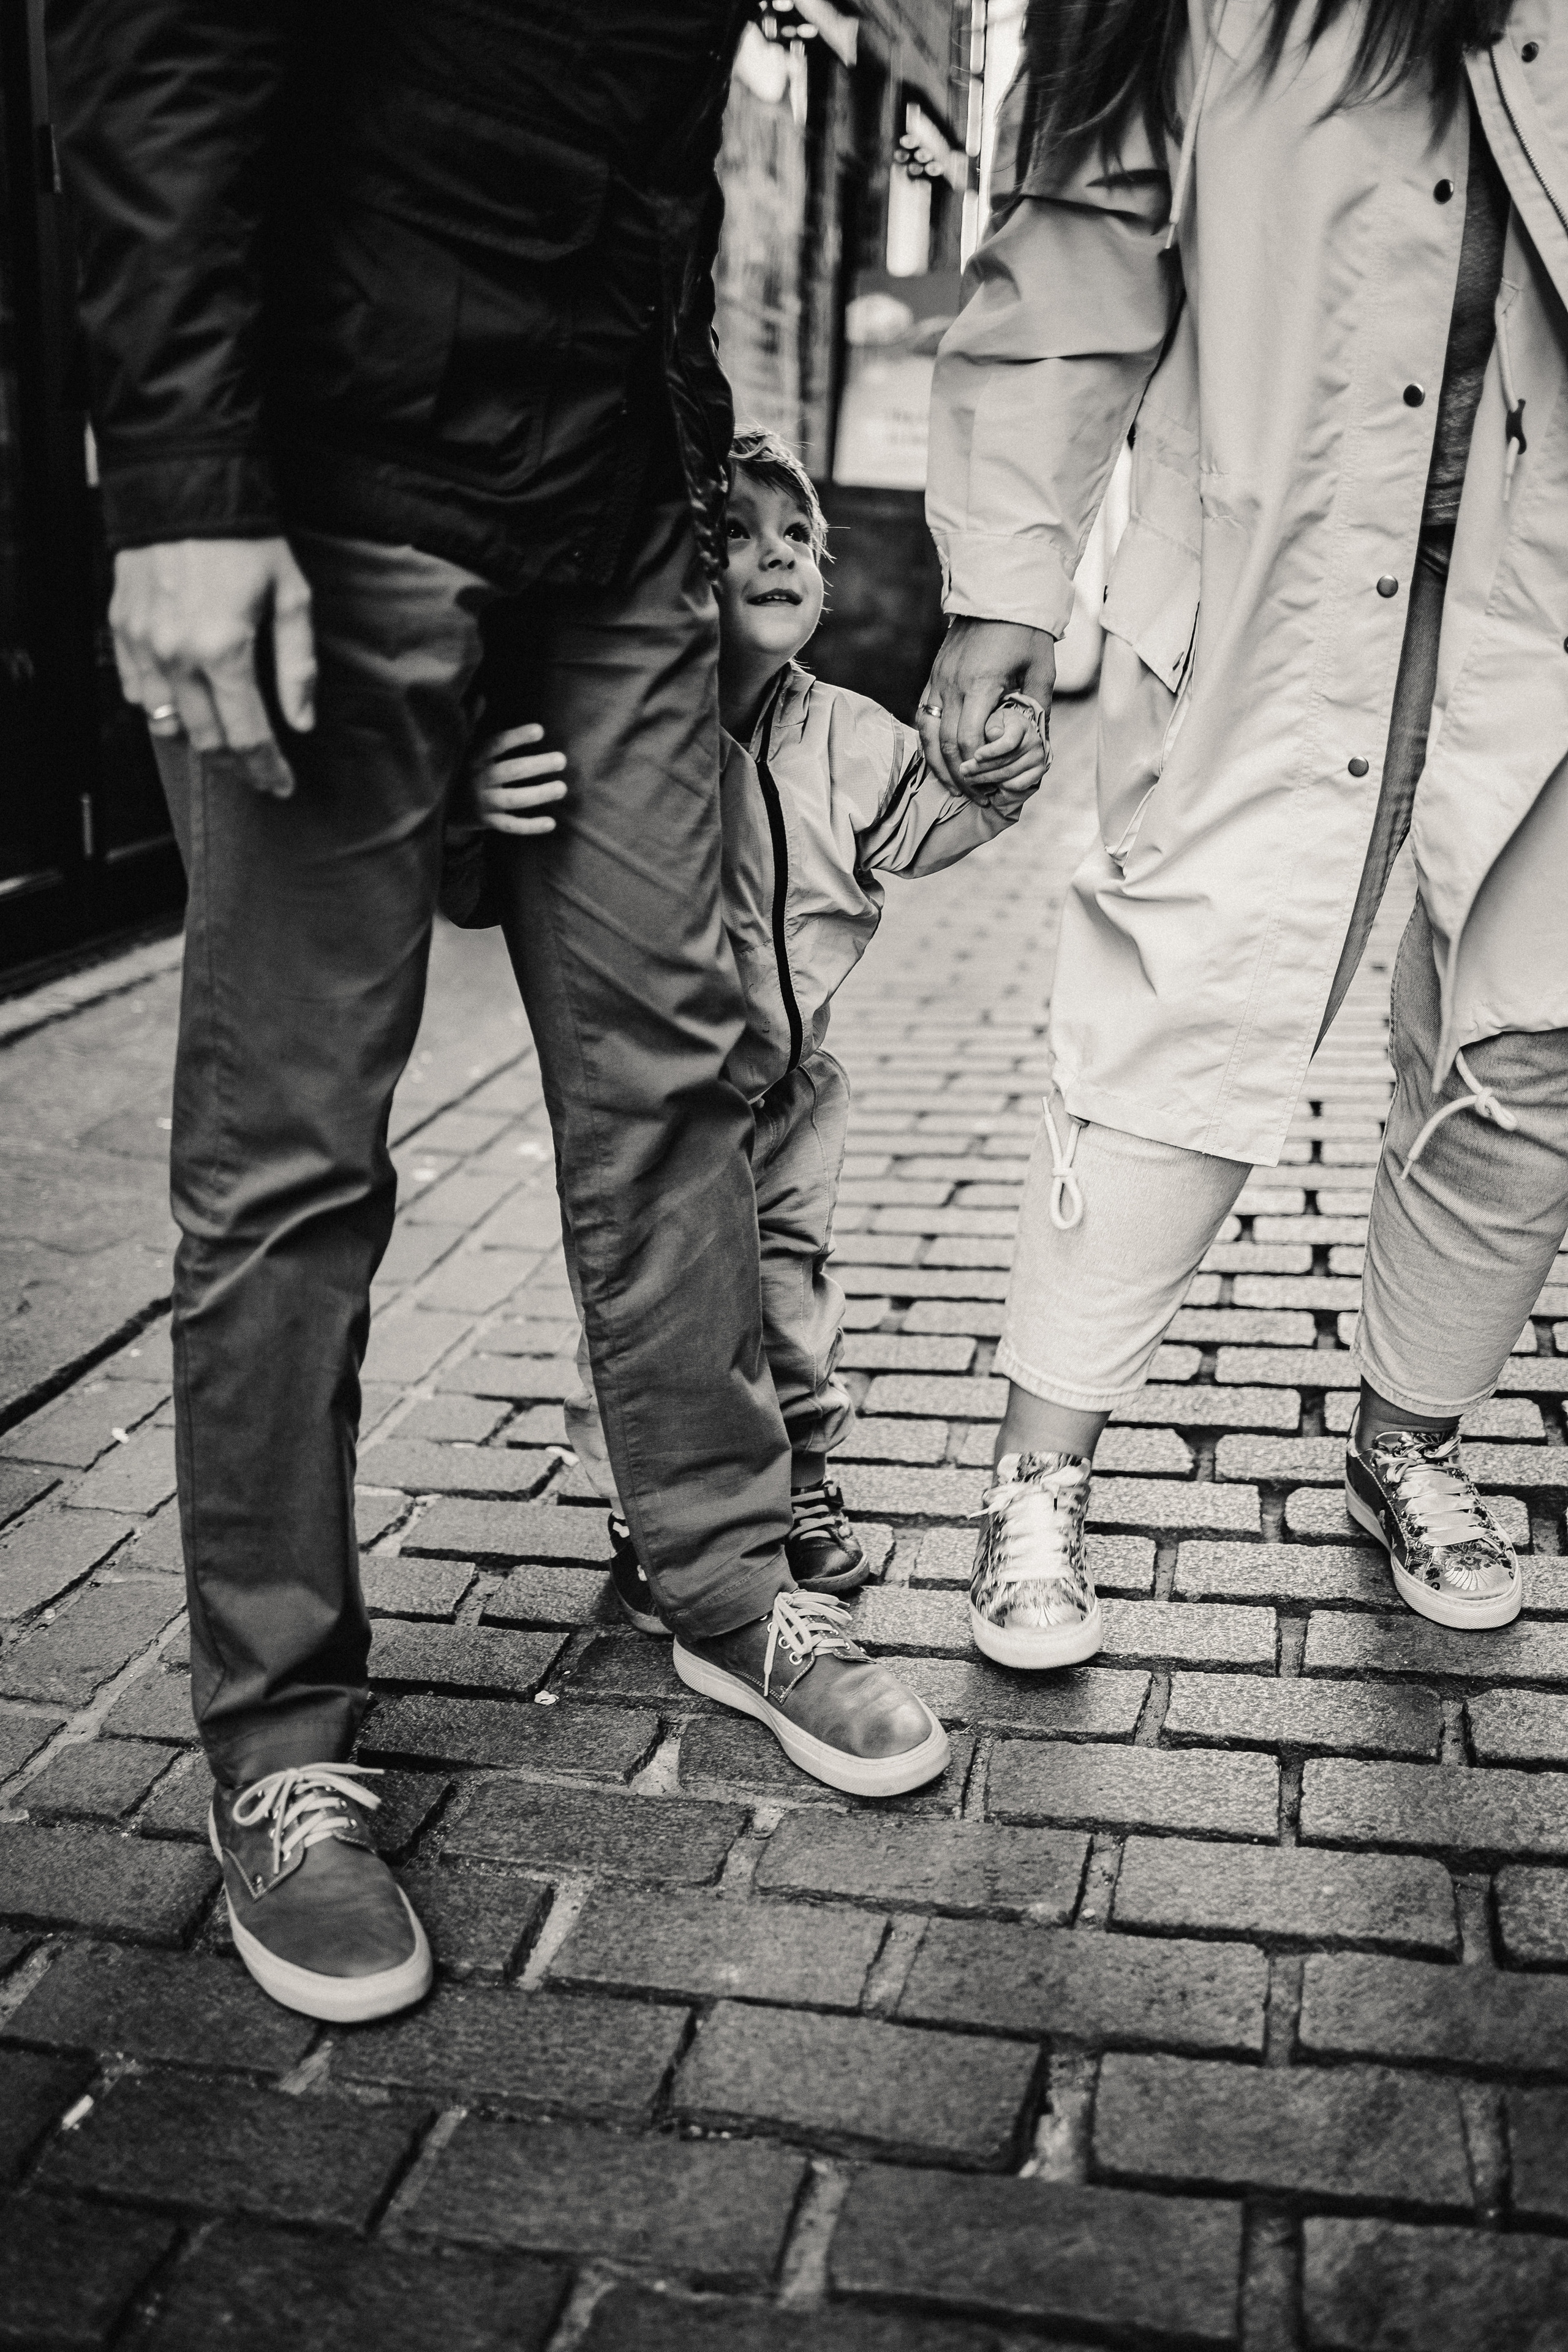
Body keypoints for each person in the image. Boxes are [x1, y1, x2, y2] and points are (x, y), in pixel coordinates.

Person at [45, 0, 946, 2022]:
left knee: (676, 1063)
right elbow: (159, 44)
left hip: (620, 502)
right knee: (291, 1153)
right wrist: (182, 476)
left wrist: (693, 430)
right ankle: (277, 1745)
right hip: (341, 469)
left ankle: (727, 1573)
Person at [919, 0, 1568, 1669]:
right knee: (1182, 980)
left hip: (1542, 580)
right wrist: (1005, 581)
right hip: (1275, 563)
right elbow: (1072, 260)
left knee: (1530, 1035)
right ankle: (1035, 1477)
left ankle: (1405, 1440)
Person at [468, 430, 1049, 1648]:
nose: (774, 553)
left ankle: (794, 1475)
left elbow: (920, 823)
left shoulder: (838, 732)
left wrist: (994, 775)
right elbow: (500, 858)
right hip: (654, 1090)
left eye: (798, 536)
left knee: (785, 1294)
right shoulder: (616, 722)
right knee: (649, 1293)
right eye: (733, 533)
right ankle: (651, 1509)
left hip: (787, 1089)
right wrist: (469, 801)